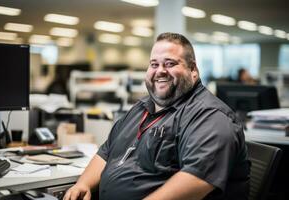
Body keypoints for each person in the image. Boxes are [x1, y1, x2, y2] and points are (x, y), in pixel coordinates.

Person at [64, 32, 250, 200]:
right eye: (154, 64)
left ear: (193, 70)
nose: (160, 70)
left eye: (170, 63)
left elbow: (196, 180)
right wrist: (83, 184)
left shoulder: (210, 117)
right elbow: (106, 152)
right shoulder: (141, 108)